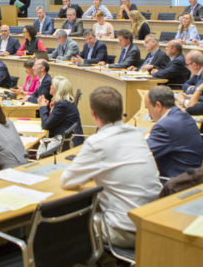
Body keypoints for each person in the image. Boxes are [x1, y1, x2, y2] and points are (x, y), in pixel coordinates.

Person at [61, 87, 161, 249]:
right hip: (152, 223)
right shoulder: (136, 134)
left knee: (69, 221)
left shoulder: (96, 142)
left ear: (94, 115)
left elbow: (67, 181)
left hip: (125, 231)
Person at [145, 86, 203, 178]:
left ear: (158, 106)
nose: (149, 115)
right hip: (191, 174)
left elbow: (144, 154)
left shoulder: (164, 127)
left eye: (148, 108)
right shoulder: (182, 114)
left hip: (174, 179)